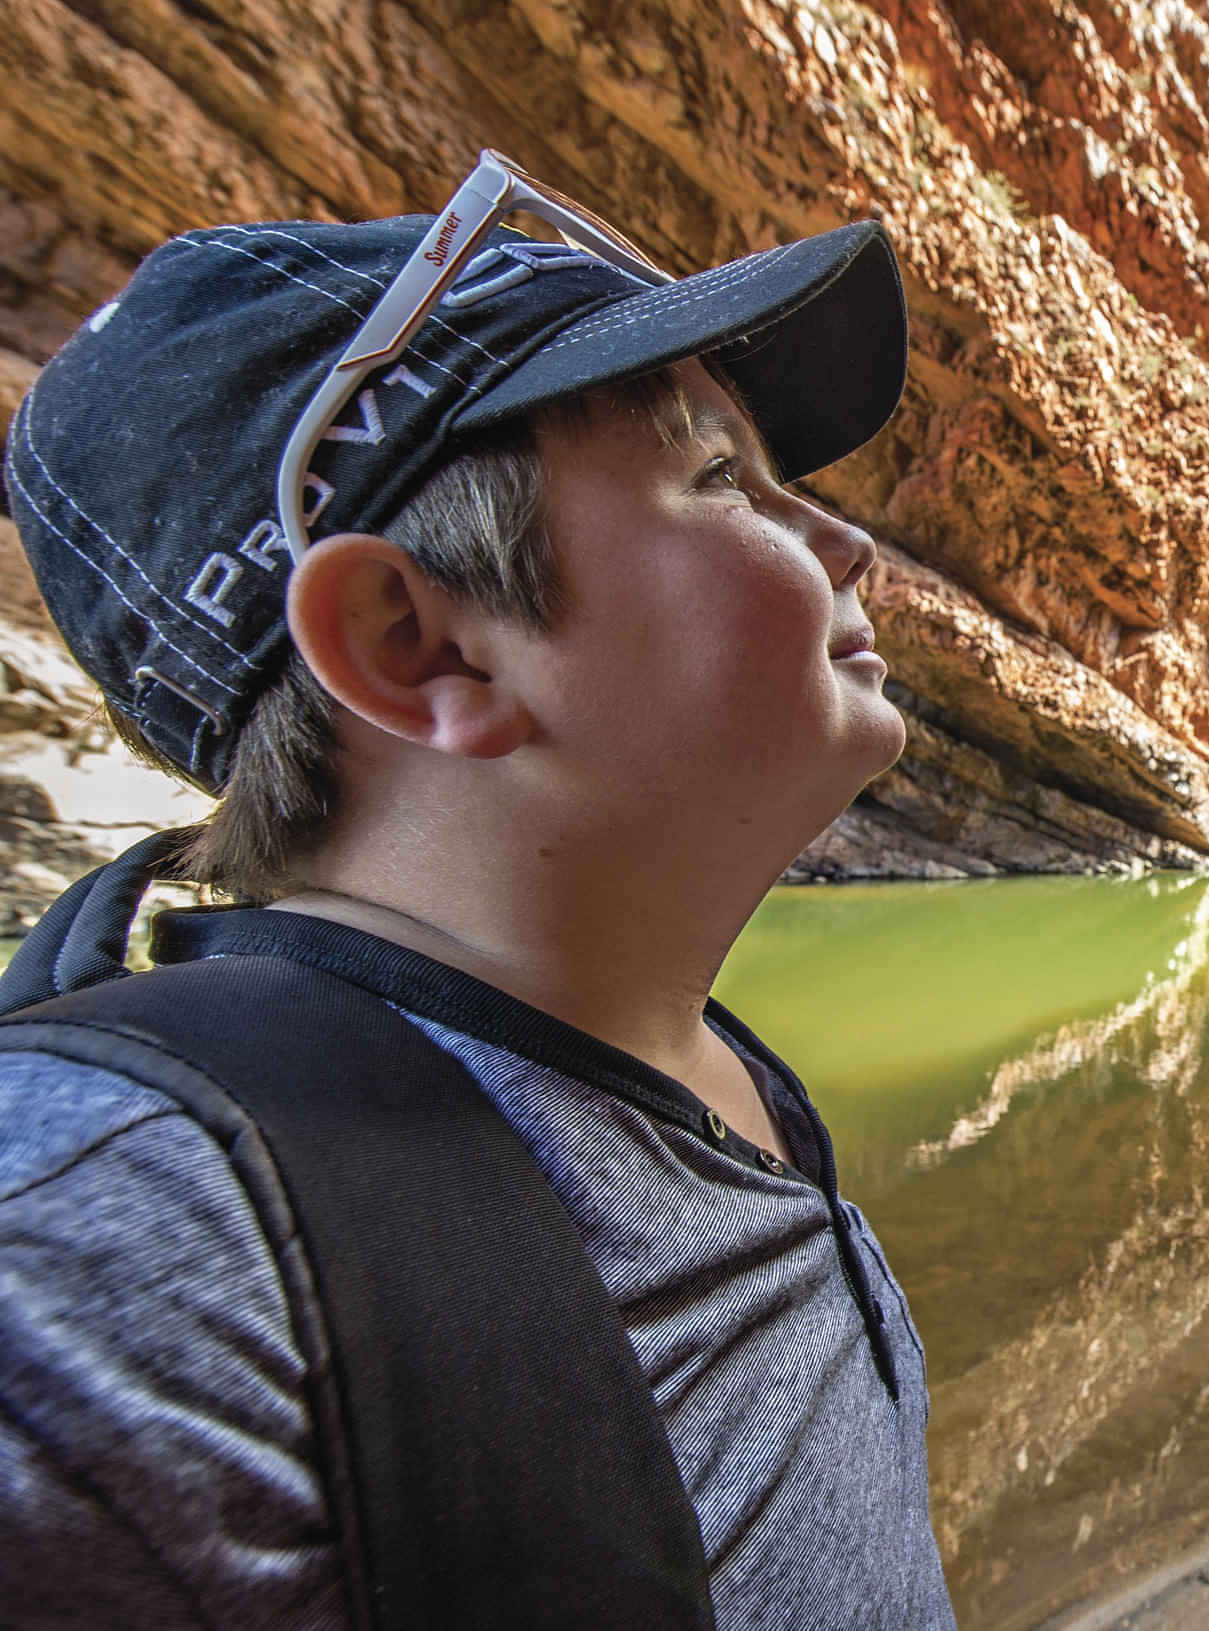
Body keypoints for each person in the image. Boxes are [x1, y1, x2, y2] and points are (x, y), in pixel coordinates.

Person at [0, 151, 954, 1626]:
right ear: (415, 643)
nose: (848, 542)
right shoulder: (117, 1253)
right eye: (716, 476)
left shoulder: (668, 1039)